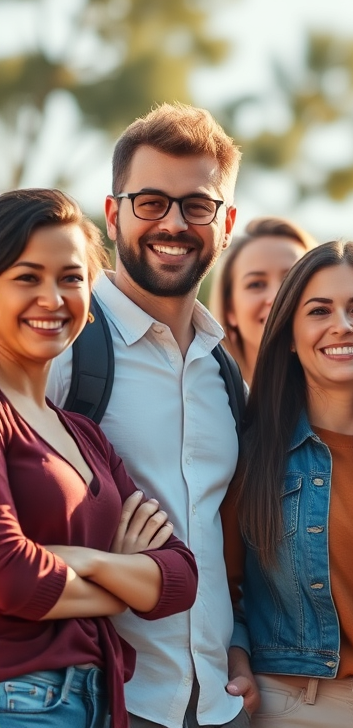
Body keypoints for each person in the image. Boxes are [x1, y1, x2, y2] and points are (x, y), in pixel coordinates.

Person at [47, 103, 258, 728]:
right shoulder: (64, 346)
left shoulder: (225, 372)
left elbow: (224, 540)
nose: (173, 223)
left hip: (219, 707)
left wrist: (238, 643)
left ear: (226, 224)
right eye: (150, 202)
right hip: (104, 698)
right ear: (113, 215)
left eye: (197, 205)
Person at [0, 188, 198, 728]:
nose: (52, 297)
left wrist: (87, 561)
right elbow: (11, 574)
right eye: (26, 277)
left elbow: (180, 578)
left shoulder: (85, 434)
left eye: (70, 278)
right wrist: (120, 591)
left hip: (100, 699)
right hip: (16, 698)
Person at [226, 240, 353, 727]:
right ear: (290, 334)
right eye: (319, 311)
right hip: (290, 706)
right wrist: (235, 653)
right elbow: (223, 591)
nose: (343, 325)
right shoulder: (250, 452)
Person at [209, 216, 317, 385]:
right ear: (230, 309)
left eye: (293, 280)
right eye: (256, 284)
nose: (277, 296)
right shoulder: (208, 401)